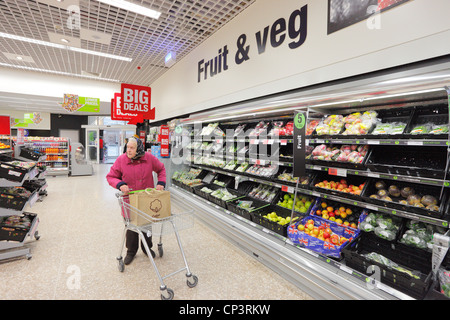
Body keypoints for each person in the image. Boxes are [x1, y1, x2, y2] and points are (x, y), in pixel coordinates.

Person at [106, 137, 166, 265]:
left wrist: (161, 182)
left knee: (146, 224)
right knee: (131, 226)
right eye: (128, 147)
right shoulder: (121, 160)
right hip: (129, 200)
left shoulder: (149, 158)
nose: (129, 150)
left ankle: (147, 247)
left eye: (132, 148)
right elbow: (111, 176)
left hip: (146, 199)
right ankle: (131, 251)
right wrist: (120, 184)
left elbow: (161, 169)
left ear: (138, 149)